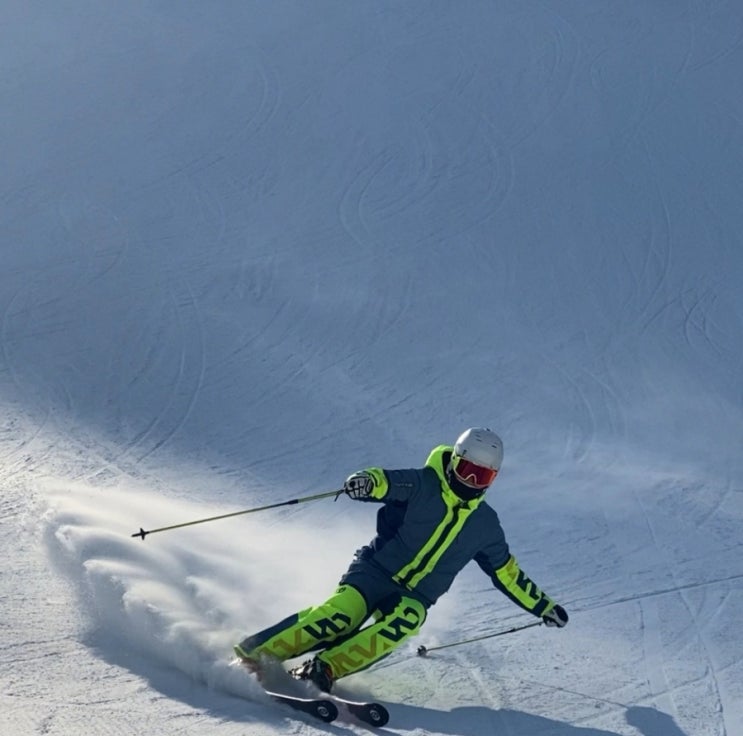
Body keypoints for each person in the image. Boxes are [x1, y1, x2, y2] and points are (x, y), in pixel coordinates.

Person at [234, 427, 568, 692]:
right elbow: (387, 481)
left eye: (482, 477)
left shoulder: (485, 525)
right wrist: (366, 482)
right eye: (466, 470)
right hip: (375, 570)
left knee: (406, 621)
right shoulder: (425, 483)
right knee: (339, 617)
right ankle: (253, 656)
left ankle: (323, 669)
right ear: (454, 460)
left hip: (415, 596)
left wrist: (543, 606)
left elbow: (508, 574)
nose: (471, 482)